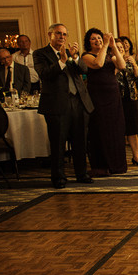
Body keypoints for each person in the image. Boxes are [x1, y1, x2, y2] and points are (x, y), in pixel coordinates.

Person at [33, 23, 94, 189]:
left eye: (65, 34)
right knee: (58, 143)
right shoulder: (40, 54)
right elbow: (45, 74)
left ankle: (82, 174)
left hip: (78, 102)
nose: (62, 37)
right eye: (58, 34)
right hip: (57, 104)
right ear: (50, 35)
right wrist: (61, 61)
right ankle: (59, 177)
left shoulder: (70, 53)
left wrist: (75, 58)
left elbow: (84, 70)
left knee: (80, 141)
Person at [81, 29, 128, 177]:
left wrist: (113, 46)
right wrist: (105, 45)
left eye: (100, 38)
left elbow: (122, 66)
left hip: (113, 96)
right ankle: (101, 165)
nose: (98, 41)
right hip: (97, 97)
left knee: (115, 129)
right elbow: (98, 64)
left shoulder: (109, 55)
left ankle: (117, 165)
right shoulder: (86, 56)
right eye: (93, 39)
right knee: (101, 129)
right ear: (88, 42)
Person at [115, 38, 138, 166]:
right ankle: (119, 157)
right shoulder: (110, 62)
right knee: (118, 129)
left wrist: (135, 65)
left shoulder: (129, 61)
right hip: (117, 99)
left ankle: (136, 156)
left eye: (121, 47)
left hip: (132, 98)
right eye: (117, 47)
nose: (121, 49)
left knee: (133, 129)